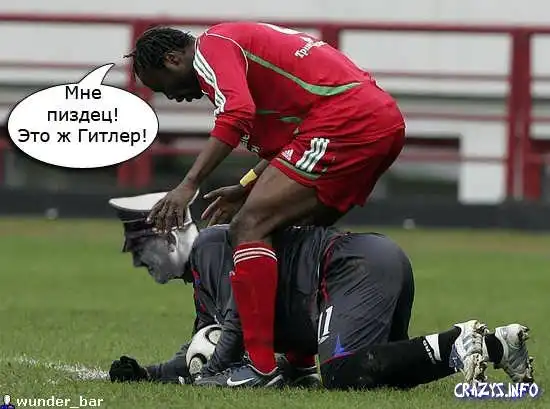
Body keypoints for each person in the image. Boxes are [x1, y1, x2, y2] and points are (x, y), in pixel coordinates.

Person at [124, 22, 406, 385]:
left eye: (165, 87)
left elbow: (236, 114)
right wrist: (246, 186)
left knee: (248, 226)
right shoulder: (236, 46)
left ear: (173, 59)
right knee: (294, 234)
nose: (174, 97)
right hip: (375, 119)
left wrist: (188, 184)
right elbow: (289, 139)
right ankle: (299, 363)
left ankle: (259, 368)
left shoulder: (211, 47)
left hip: (346, 120)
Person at [107, 193, 534, 389]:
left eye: (141, 249)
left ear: (170, 237)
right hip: (369, 260)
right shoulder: (204, 269)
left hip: (349, 268)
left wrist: (213, 376)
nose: (140, 262)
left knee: (342, 374)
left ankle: (460, 341)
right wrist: (151, 373)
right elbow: (206, 341)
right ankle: (496, 345)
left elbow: (234, 323)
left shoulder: (210, 246)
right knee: (379, 375)